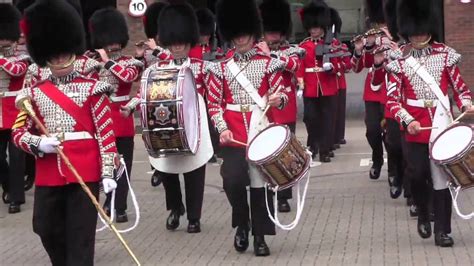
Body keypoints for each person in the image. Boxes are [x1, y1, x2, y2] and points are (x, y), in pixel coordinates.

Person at [12, 0, 119, 264]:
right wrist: (37, 143)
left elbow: (106, 136)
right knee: (45, 227)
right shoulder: (34, 93)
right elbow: (18, 132)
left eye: (64, 52)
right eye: (54, 54)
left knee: (81, 236)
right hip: (49, 172)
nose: (60, 58)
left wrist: (108, 172)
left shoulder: (93, 88)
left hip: (85, 168)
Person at [386, 0, 472, 247]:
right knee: (418, 174)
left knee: (440, 179)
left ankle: (442, 231)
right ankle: (423, 213)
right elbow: (393, 101)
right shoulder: (399, 61)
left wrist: (466, 102)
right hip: (415, 126)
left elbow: (459, 87)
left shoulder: (445, 54)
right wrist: (408, 120)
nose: (419, 35)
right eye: (414, 31)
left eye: (422, 30)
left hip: (442, 123)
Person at [124, 1, 213, 234]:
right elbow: (145, 92)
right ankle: (175, 208)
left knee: (195, 170)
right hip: (164, 122)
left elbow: (214, 93)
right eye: (173, 43)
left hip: (195, 120)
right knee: (166, 167)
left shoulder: (203, 67)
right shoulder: (157, 66)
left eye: (181, 43)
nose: (177, 47)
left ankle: (194, 217)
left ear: (188, 41)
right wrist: (131, 106)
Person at [207, 0, 288, 256]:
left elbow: (282, 94)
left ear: (253, 33)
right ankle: (242, 223)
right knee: (232, 180)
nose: (241, 39)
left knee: (260, 184)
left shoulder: (268, 63)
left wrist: (279, 99)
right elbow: (214, 105)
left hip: (261, 129)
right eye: (236, 34)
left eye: (245, 33)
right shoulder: (220, 68)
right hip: (233, 134)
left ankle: (260, 236)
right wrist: (221, 128)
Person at [89, 7, 144, 223]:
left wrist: (107, 62)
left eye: (115, 40)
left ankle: (119, 206)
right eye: (108, 40)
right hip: (99, 119)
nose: (113, 45)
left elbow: (126, 77)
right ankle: (106, 201)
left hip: (121, 119)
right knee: (103, 164)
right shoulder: (91, 61)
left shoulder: (130, 62)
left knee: (122, 166)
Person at [258, 0, 305, 213]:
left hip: (285, 108)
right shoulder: (255, 50)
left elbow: (295, 66)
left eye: (277, 33)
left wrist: (271, 55)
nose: (274, 36)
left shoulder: (290, 51)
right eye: (270, 33)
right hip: (262, 110)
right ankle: (266, 189)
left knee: (286, 155)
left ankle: (284, 195)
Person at [297, 0, 341, 163]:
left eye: (316, 27)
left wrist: (332, 68)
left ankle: (324, 149)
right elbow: (300, 67)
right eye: (311, 27)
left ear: (322, 26)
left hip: (327, 86)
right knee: (310, 118)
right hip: (310, 86)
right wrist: (300, 85)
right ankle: (313, 144)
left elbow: (341, 63)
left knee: (327, 119)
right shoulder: (304, 45)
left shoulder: (332, 43)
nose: (314, 30)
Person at [351, 0, 389, 179]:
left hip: (392, 89)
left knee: (391, 132)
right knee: (372, 130)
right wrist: (363, 49)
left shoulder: (397, 37)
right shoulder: (369, 37)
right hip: (373, 90)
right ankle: (377, 159)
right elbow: (358, 67)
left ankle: (395, 168)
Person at [0, 3, 30, 213]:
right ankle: (9, 186)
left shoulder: (23, 56)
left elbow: (16, 71)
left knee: (17, 157)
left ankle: (16, 199)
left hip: (16, 110)